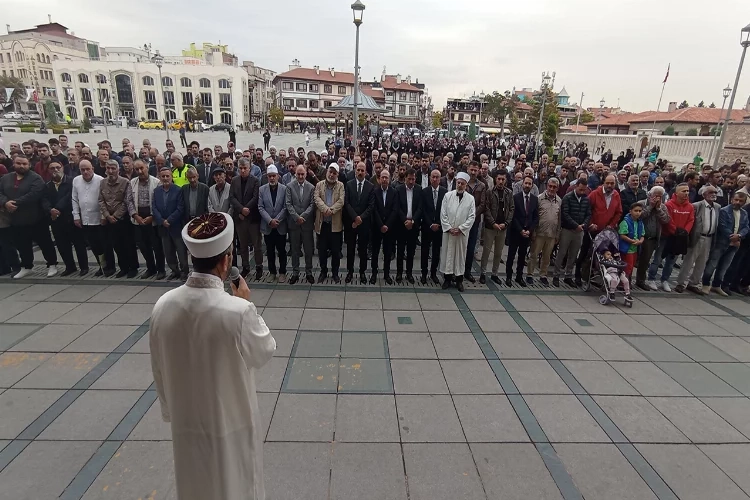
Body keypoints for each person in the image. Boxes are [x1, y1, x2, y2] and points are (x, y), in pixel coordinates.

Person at [150, 212, 276, 500]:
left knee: (195, 485)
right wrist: (245, 303)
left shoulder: (163, 305)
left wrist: (171, 410)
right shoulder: (236, 311)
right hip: (230, 424)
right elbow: (265, 349)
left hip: (187, 423)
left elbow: (158, 367)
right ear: (226, 260)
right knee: (235, 485)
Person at [0, 155, 59, 278]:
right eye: (19, 163)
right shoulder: (6, 178)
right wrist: (5, 203)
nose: (21, 166)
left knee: (45, 243)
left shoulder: (35, 178)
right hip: (16, 219)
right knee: (22, 244)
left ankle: (52, 264)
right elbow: (0, 192)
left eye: (24, 164)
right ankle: (27, 266)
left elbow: (35, 194)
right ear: (14, 164)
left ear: (29, 165)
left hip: (36, 218)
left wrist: (15, 203)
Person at [42, 162, 88, 276]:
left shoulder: (72, 181)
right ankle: (70, 266)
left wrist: (57, 208)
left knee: (79, 244)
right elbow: (44, 200)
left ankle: (84, 267)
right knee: (62, 245)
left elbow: (70, 197)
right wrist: (50, 210)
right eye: (52, 168)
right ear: (48, 170)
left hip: (71, 217)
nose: (55, 170)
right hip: (56, 219)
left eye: (58, 167)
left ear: (62, 168)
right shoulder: (47, 185)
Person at [647, 183, 694, 292]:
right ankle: (651, 278)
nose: (686, 193)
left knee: (671, 261)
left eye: (687, 191)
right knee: (658, 259)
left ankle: (665, 280)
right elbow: (668, 220)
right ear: (676, 193)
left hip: (680, 238)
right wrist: (675, 231)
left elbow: (691, 220)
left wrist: (685, 232)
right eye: (683, 191)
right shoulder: (669, 205)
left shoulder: (690, 206)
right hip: (666, 236)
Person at [576, 174, 622, 286]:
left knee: (603, 255)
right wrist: (590, 224)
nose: (610, 185)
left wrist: (612, 224)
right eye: (608, 183)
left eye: (612, 183)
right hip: (593, 230)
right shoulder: (595, 194)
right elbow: (587, 210)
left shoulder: (616, 195)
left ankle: (599, 276)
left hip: (606, 232)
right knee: (585, 252)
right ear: (603, 182)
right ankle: (578, 275)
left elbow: (618, 212)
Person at [701, 191, 749, 296]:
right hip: (722, 242)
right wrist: (733, 237)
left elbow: (746, 227)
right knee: (712, 264)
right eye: (736, 200)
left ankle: (717, 285)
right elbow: (722, 226)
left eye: (741, 201)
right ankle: (705, 283)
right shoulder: (724, 211)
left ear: (744, 202)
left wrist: (739, 236)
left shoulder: (744, 213)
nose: (737, 202)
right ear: (732, 199)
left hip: (735, 244)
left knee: (724, 266)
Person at [674, 185, 720, 294]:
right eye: (710, 192)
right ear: (704, 195)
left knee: (702, 262)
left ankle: (693, 283)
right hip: (697, 237)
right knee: (689, 261)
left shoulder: (717, 207)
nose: (713, 194)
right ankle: (681, 283)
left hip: (709, 237)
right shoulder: (696, 206)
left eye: (715, 192)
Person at [99, 159, 137, 278]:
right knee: (117, 245)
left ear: (118, 170)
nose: (110, 171)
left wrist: (115, 215)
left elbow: (126, 201)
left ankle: (133, 268)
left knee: (128, 244)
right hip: (109, 220)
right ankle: (123, 267)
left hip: (123, 219)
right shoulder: (102, 182)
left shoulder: (125, 182)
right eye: (108, 168)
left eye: (113, 168)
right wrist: (107, 215)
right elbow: (101, 200)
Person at [439, 172, 476, 291]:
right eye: (458, 183)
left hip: (461, 234)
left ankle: (459, 280)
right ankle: (447, 279)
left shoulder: (470, 199)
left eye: (462, 183)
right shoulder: (447, 196)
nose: (459, 185)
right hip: (449, 232)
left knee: (460, 256)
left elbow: (471, 217)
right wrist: (449, 228)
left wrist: (461, 228)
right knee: (448, 255)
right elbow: (443, 213)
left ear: (466, 185)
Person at [230, 158, 264, 280]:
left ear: (250, 168)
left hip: (253, 218)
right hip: (240, 218)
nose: (243, 170)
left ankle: (259, 267)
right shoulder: (234, 180)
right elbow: (232, 197)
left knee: (257, 245)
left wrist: (246, 209)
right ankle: (245, 267)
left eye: (245, 168)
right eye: (241, 168)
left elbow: (255, 197)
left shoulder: (255, 181)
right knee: (243, 245)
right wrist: (240, 210)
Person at [131, 160, 165, 280]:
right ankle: (151, 268)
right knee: (143, 246)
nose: (140, 171)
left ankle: (161, 269)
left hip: (153, 219)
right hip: (138, 219)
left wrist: (153, 216)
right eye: (137, 169)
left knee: (157, 246)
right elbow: (129, 201)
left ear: (147, 167)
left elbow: (160, 202)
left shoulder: (156, 183)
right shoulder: (132, 183)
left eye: (142, 168)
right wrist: (135, 215)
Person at [153, 167, 189, 281]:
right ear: (159, 177)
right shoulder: (156, 191)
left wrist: (169, 220)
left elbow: (180, 208)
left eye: (167, 176)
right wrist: (161, 220)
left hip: (176, 226)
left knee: (181, 251)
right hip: (163, 227)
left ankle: (184, 271)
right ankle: (174, 271)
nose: (165, 178)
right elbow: (154, 207)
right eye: (163, 176)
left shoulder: (178, 190)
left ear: (171, 177)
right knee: (168, 251)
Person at [554, 179, 592, 287]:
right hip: (567, 230)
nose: (582, 192)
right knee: (562, 253)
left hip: (580, 231)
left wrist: (583, 225)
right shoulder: (568, 197)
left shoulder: (586, 199)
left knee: (573, 255)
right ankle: (556, 275)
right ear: (576, 186)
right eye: (580, 189)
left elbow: (588, 214)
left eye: (584, 190)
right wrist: (576, 225)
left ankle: (568, 276)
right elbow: (565, 214)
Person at [479, 170, 513, 285]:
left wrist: (506, 223)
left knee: (498, 253)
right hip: (490, 227)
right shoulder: (489, 192)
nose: (501, 181)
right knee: (486, 252)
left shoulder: (509, 193)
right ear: (495, 179)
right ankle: (483, 273)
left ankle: (495, 273)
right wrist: (493, 223)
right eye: (499, 179)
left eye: (503, 179)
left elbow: (512, 209)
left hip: (503, 227)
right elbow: (486, 209)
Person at [344, 161, 375, 283]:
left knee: (363, 250)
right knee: (350, 249)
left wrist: (360, 218)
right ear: (355, 171)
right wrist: (355, 217)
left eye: (363, 170)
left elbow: (371, 206)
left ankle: (362, 272)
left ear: (366, 172)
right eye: (358, 170)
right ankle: (350, 272)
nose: (360, 172)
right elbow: (346, 203)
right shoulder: (349, 184)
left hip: (364, 224)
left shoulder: (370, 186)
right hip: (351, 223)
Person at [634, 187, 670, 289]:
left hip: (652, 238)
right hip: (639, 236)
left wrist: (658, 209)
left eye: (659, 196)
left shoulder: (662, 207)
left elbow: (666, 220)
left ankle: (640, 280)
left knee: (645, 261)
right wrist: (650, 207)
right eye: (655, 196)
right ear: (650, 195)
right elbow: (639, 216)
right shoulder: (642, 203)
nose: (657, 199)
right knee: (633, 259)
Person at [314, 163, 345, 283]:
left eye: (334, 173)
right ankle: (323, 271)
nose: (331, 175)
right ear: (327, 172)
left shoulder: (340, 186)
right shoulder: (319, 185)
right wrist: (325, 209)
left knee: (336, 251)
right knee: (322, 251)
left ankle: (335, 273)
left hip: (335, 225)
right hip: (322, 224)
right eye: (330, 172)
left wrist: (330, 210)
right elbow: (317, 198)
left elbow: (341, 201)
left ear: (337, 175)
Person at [527, 177, 561, 286]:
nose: (551, 189)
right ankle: (530, 274)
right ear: (547, 186)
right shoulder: (539, 198)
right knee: (534, 255)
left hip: (551, 234)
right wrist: (533, 232)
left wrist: (557, 234)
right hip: (539, 233)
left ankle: (543, 275)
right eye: (550, 186)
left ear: (557, 188)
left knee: (547, 256)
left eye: (554, 187)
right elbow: (534, 216)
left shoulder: (559, 200)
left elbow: (559, 219)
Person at [506, 176, 539, 287]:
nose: (527, 185)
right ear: (522, 184)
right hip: (516, 231)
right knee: (511, 255)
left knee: (522, 256)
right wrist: (520, 230)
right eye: (526, 183)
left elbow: (535, 217)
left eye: (530, 184)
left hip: (527, 233)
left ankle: (519, 277)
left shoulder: (535, 199)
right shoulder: (515, 197)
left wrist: (529, 230)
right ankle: (508, 277)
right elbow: (513, 216)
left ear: (532, 186)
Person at [286, 165, 315, 284]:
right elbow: (288, 204)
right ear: (295, 174)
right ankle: (295, 273)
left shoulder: (311, 187)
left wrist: (303, 217)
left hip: (306, 224)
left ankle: (309, 272)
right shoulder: (289, 186)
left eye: (302, 174)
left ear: (306, 174)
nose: (300, 176)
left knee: (308, 250)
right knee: (295, 250)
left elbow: (312, 204)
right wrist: (296, 217)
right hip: (294, 224)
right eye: (298, 174)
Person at [258, 166, 288, 283]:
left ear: (278, 176)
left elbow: (286, 207)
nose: (272, 178)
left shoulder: (284, 189)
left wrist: (277, 220)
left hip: (280, 225)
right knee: (270, 251)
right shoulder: (262, 189)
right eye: (269, 176)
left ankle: (282, 272)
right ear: (267, 177)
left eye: (273, 176)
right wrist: (270, 220)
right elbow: (260, 207)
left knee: (281, 250)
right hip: (268, 225)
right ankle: (272, 272)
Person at [371, 169, 398, 284]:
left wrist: (387, 225)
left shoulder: (394, 192)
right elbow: (374, 209)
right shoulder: (374, 191)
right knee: (375, 252)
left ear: (390, 179)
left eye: (386, 177)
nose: (384, 179)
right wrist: (381, 225)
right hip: (377, 227)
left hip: (389, 228)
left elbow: (395, 209)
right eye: (382, 177)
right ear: (379, 179)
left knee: (387, 252)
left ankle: (386, 274)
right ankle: (374, 273)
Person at [395, 168, 422, 284]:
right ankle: (399, 273)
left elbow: (420, 208)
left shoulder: (419, 189)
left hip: (413, 226)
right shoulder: (398, 189)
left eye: (413, 179)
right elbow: (397, 207)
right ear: (405, 178)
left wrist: (413, 221)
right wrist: (405, 220)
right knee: (400, 250)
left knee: (411, 251)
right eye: (409, 179)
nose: (411, 181)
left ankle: (409, 273)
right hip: (401, 225)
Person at [420, 169, 447, 285]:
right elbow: (422, 210)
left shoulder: (445, 192)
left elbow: (445, 211)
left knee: (436, 251)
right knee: (425, 251)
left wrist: (439, 224)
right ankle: (424, 273)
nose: (435, 179)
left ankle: (433, 273)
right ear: (430, 178)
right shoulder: (424, 192)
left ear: (440, 179)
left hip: (439, 227)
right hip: (427, 226)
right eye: (433, 177)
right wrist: (430, 223)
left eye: (437, 177)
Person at [463, 161, 486, 283]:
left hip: (474, 221)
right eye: (471, 170)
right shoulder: (462, 182)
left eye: (475, 170)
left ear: (478, 171)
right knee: (460, 247)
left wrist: (471, 215)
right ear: (467, 169)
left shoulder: (482, 185)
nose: (473, 172)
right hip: (461, 220)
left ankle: (467, 271)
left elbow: (482, 204)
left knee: (471, 248)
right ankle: (457, 272)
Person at [618, 203, 645, 278]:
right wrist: (632, 241)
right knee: (627, 267)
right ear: (630, 211)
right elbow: (622, 235)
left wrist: (640, 241)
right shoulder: (625, 222)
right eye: (636, 210)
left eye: (640, 211)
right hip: (627, 249)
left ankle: (627, 281)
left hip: (635, 249)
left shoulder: (640, 222)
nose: (638, 213)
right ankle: (623, 283)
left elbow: (643, 235)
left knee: (632, 266)